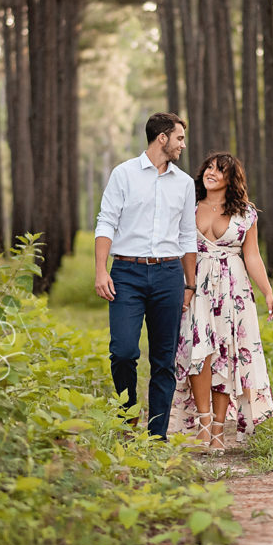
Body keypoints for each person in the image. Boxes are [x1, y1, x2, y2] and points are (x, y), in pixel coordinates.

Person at [94, 112, 197, 439]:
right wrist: (100, 270)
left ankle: (157, 436)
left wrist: (189, 284)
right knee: (123, 351)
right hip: (127, 272)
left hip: (168, 274)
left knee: (164, 360)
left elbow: (187, 236)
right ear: (162, 138)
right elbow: (106, 221)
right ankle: (127, 420)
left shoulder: (184, 183)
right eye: (179, 137)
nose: (183, 144)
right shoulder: (123, 174)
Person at [169, 152, 273, 451]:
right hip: (196, 284)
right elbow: (178, 249)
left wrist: (267, 291)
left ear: (232, 179)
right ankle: (203, 422)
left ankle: (218, 428)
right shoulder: (188, 208)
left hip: (233, 287)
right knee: (198, 351)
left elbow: (252, 255)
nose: (211, 172)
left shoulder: (245, 213)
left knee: (226, 354)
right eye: (208, 168)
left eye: (219, 169)